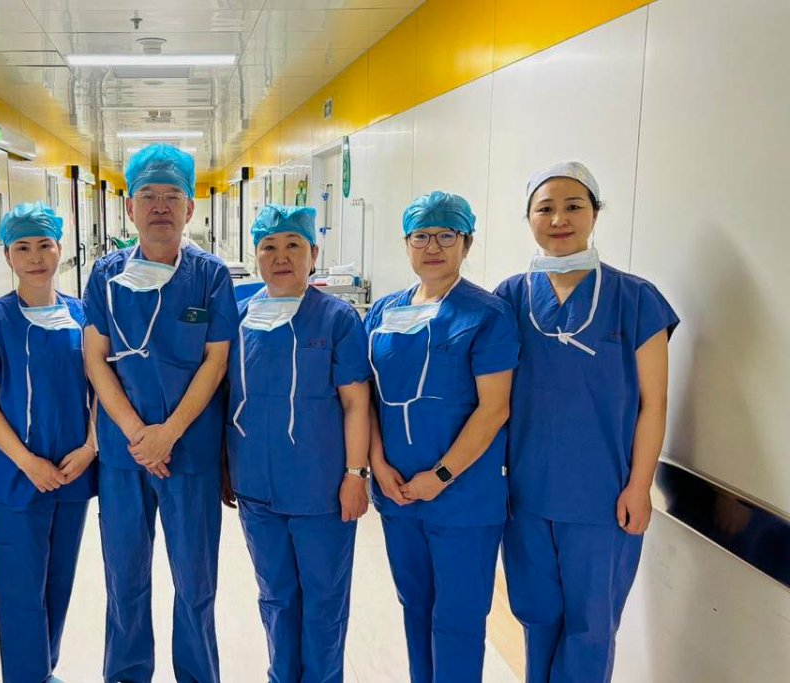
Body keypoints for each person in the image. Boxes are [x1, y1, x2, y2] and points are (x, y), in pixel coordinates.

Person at [494, 162, 678, 683]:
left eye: (573, 206)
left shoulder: (635, 299)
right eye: (545, 208)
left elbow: (654, 404)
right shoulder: (509, 298)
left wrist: (639, 486)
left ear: (595, 213)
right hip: (526, 496)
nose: (559, 219)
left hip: (604, 498)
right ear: (529, 218)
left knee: (591, 628)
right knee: (537, 619)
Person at [82, 144, 237, 683]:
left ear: (190, 208)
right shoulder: (105, 276)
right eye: (148, 195)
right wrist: (137, 435)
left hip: (189, 452)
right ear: (130, 208)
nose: (160, 207)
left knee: (195, 582)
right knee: (125, 579)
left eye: (173, 196)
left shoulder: (211, 277)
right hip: (125, 456)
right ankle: (126, 674)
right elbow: (95, 359)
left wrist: (168, 433)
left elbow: (216, 361)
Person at [366, 192, 519, 683]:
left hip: (463, 498)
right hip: (398, 493)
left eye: (446, 235)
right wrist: (378, 465)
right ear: (406, 244)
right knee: (415, 606)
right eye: (421, 236)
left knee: (458, 618)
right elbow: (366, 397)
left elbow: (494, 408)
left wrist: (442, 475)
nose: (432, 247)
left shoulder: (488, 314)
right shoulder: (383, 312)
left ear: (466, 243)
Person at [226, 204, 372, 683]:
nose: (281, 256)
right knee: (276, 596)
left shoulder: (337, 319)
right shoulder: (238, 317)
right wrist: (226, 466)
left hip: (321, 487)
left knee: (324, 600)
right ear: (256, 255)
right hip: (255, 486)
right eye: (269, 246)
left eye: (294, 245)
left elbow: (356, 403)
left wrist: (356, 474)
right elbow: (226, 397)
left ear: (314, 253)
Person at [0, 202, 97, 683]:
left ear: (61, 250)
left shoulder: (82, 315)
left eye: (44, 245)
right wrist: (26, 462)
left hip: (74, 469)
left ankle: (44, 670)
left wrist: (91, 447)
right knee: (21, 589)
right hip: (16, 475)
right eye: (22, 247)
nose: (35, 256)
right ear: (7, 257)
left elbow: (102, 388)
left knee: (59, 581)